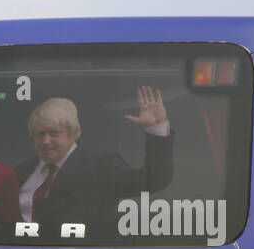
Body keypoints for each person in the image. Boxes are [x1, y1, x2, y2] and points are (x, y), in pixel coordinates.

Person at [14, 89, 174, 238]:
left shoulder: (100, 166)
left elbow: (153, 180)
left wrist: (156, 128)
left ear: (72, 133)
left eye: (54, 133)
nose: (46, 141)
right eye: (40, 134)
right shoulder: (21, 172)